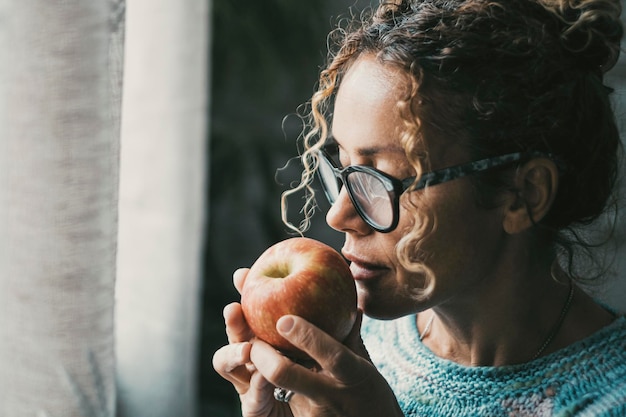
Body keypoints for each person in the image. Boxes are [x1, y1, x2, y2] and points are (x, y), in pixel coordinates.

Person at [213, 0, 626, 415]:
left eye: (381, 180)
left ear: (523, 194)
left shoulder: (609, 401)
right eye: (344, 170)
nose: (338, 216)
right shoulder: (350, 352)